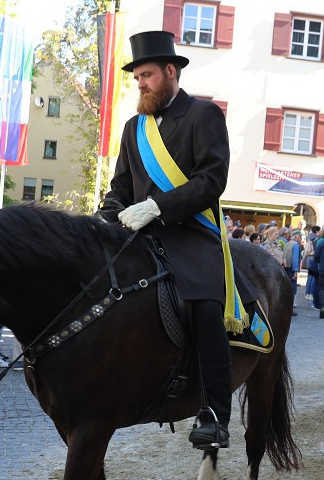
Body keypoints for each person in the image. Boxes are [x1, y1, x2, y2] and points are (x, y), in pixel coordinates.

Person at [98, 30, 238, 451]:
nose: (140, 83)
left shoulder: (203, 115)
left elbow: (211, 180)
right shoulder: (132, 127)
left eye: (147, 75)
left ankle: (214, 413)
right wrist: (100, 224)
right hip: (138, 232)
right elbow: (119, 188)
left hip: (191, 231)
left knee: (202, 305)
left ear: (170, 72)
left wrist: (158, 207)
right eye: (137, 76)